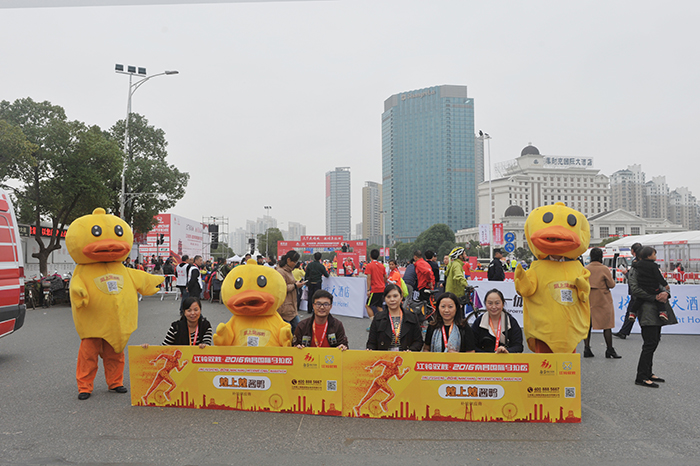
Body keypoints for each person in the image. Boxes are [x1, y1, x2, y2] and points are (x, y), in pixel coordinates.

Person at [630, 257, 676, 388]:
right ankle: (641, 376)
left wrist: (666, 293)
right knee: (649, 343)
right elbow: (635, 290)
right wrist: (655, 297)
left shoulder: (653, 268)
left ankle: (648, 372)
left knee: (654, 341)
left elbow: (663, 284)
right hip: (646, 311)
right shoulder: (635, 270)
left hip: (657, 310)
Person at [583, 247, 620, 358]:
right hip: (603, 299)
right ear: (601, 257)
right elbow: (611, 285)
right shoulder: (604, 269)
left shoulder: (585, 269)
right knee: (607, 324)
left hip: (589, 299)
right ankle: (609, 349)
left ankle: (587, 348)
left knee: (588, 325)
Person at [366, 284, 423, 351]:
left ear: (401, 297)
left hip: (406, 356)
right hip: (384, 356)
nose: (392, 299)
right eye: (388, 297)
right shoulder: (378, 318)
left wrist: (411, 350)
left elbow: (418, 341)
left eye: (395, 296)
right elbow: (371, 342)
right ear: (385, 299)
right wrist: (370, 350)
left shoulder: (412, 317)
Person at [471, 289, 523, 353]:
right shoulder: (478, 322)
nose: (493, 307)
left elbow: (518, 346)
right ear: (485, 304)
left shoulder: (511, 322)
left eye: (497, 303)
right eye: (490, 303)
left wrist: (507, 351)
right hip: (483, 358)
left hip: (505, 358)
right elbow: (472, 346)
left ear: (503, 304)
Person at [627, 247, 670, 322]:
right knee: (659, 299)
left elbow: (634, 265)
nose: (655, 256)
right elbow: (658, 277)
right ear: (648, 256)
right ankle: (662, 312)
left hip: (643, 287)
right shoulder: (654, 266)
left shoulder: (638, 265)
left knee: (638, 301)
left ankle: (632, 313)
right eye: (654, 254)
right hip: (653, 288)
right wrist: (665, 284)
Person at [614, 242, 643, 339]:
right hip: (641, 292)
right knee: (635, 312)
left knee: (632, 312)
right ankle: (624, 331)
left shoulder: (636, 262)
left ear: (633, 251)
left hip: (636, 292)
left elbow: (633, 278)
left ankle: (624, 332)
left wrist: (626, 273)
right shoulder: (645, 262)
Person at [276, 250, 305, 334]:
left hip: (291, 306)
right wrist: (295, 285)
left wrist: (296, 283)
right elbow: (281, 288)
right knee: (288, 331)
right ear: (288, 260)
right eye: (294, 262)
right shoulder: (280, 272)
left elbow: (289, 283)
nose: (295, 264)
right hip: (285, 307)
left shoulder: (289, 270)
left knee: (297, 329)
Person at [365, 249, 387, 317]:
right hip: (382, 288)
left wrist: (368, 290)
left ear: (370, 256)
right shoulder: (382, 266)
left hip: (375, 289)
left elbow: (369, 277)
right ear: (378, 257)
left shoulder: (369, 265)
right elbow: (386, 276)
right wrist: (383, 283)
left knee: (367, 306)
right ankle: (384, 320)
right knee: (379, 306)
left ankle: (373, 321)